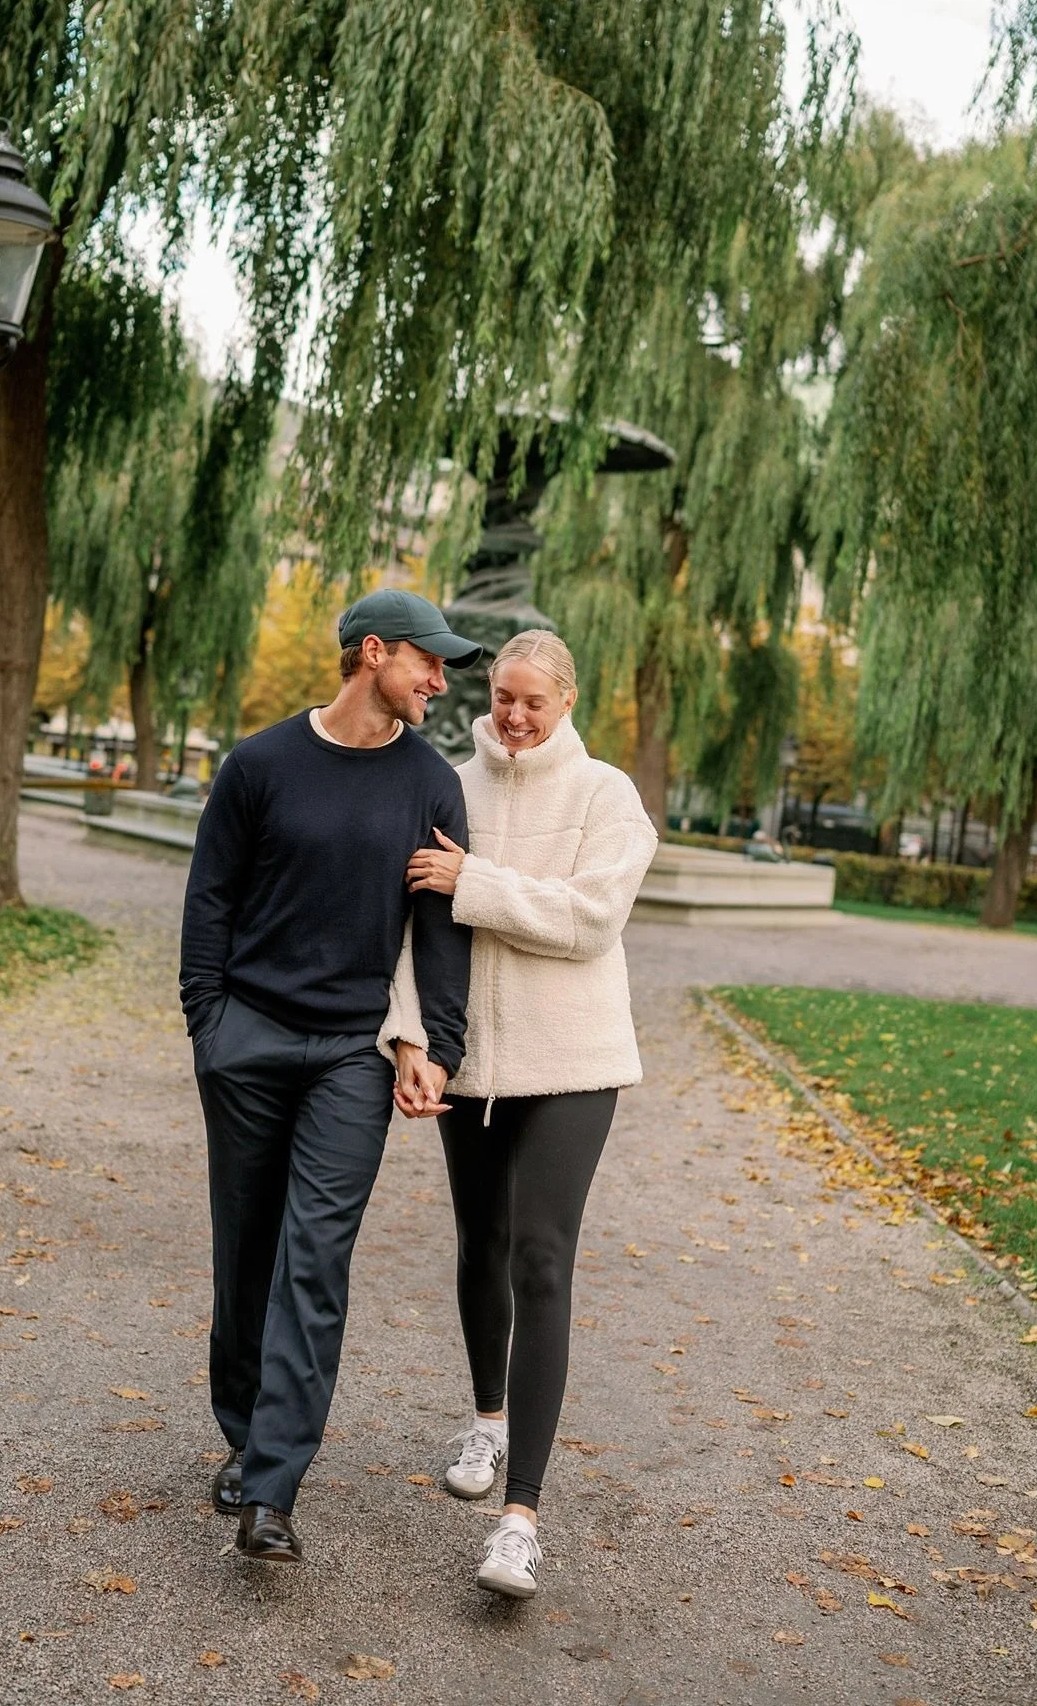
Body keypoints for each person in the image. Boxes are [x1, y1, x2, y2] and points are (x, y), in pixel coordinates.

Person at [179, 589, 479, 1563]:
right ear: (371, 652)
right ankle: (242, 1430)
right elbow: (208, 904)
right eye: (426, 661)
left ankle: (272, 1485)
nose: (440, 679)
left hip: (352, 1055)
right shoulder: (260, 764)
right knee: (248, 1247)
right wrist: (210, 1028)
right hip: (250, 1041)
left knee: (316, 1260)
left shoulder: (431, 784)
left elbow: (438, 935)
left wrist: (438, 1042)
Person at [381, 630, 658, 1600]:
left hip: (575, 1061)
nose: (513, 714)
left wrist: (480, 883)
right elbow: (416, 926)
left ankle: (520, 1517)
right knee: (479, 1242)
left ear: (567, 699)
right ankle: (486, 1418)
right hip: (472, 1063)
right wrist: (411, 1040)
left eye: (532, 700)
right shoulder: (451, 784)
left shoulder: (605, 796)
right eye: (501, 695)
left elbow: (591, 917)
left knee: (540, 1255)